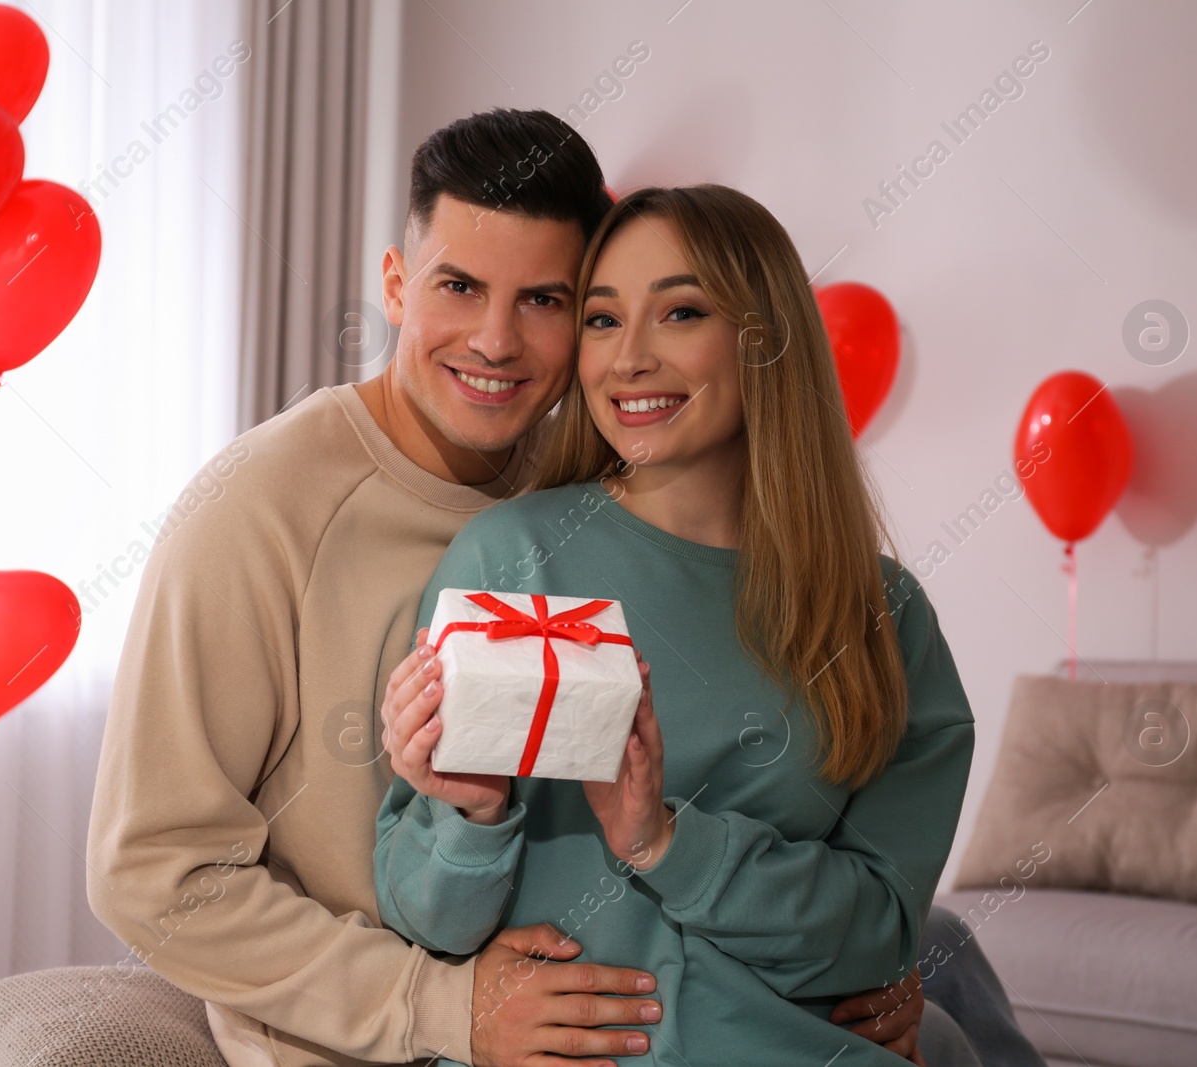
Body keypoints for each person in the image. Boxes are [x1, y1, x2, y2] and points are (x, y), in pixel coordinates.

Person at [88, 106, 1031, 1067]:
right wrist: (444, 1003)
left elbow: (864, 894)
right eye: (458, 285)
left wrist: (874, 963)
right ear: (396, 285)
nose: (496, 343)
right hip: (396, 1024)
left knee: (951, 984)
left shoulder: (586, 472)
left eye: (545, 300)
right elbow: (152, 875)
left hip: (698, 986)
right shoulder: (265, 508)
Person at [372, 184, 974, 1067]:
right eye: (604, 321)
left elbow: (880, 933)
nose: (629, 359)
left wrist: (664, 841)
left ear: (765, 340)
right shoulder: (514, 557)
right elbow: (429, 919)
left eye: (681, 312)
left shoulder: (884, 614)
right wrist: (471, 808)